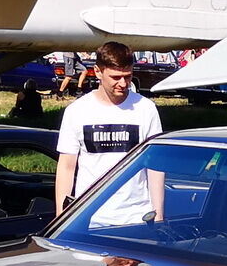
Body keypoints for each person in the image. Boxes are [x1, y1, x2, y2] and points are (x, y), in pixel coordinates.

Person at [55, 40, 164, 217]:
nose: (123, 83)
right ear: (98, 72)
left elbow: (155, 165)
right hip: (88, 217)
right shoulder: (76, 111)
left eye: (127, 76)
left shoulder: (146, 109)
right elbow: (67, 166)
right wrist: (61, 216)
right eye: (115, 77)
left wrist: (158, 214)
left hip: (136, 216)